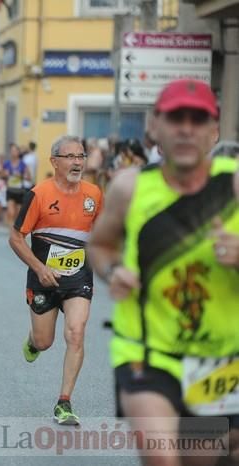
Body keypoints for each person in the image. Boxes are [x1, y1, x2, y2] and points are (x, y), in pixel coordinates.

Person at [87, 79, 239, 463]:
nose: (186, 128)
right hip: (146, 349)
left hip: (218, 359)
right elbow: (100, 245)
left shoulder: (234, 185)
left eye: (197, 118)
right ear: (154, 127)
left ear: (214, 130)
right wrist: (114, 270)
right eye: (175, 118)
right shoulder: (130, 188)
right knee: (161, 457)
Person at [8, 135, 103, 426]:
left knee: (76, 332)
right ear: (54, 162)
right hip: (44, 278)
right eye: (70, 157)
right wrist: (39, 268)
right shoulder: (39, 194)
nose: (77, 162)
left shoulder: (94, 195)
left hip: (78, 277)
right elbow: (15, 238)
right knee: (45, 341)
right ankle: (33, 342)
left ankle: (64, 401)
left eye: (81, 156)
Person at [3, 143, 32, 227]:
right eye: (12, 151)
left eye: (15, 151)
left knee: (18, 214)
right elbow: (1, 175)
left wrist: (21, 175)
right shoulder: (6, 163)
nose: (13, 152)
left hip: (20, 191)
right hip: (10, 190)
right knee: (11, 212)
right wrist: (5, 174)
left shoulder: (23, 164)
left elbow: (29, 177)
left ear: (18, 152)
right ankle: (11, 230)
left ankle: (15, 228)